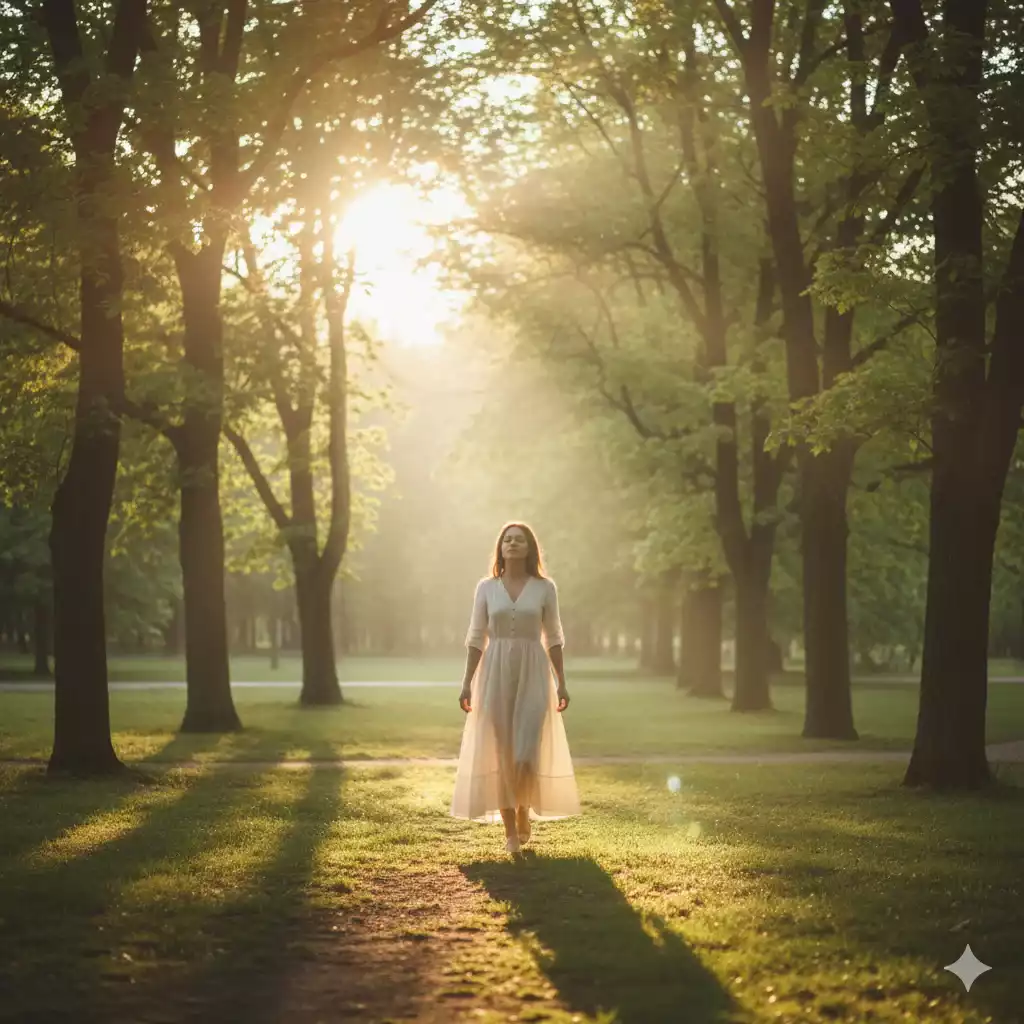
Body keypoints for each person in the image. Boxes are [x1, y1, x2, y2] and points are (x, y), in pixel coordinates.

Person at [450, 522, 581, 853]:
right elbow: (476, 637)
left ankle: (524, 808)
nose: (512, 544)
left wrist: (561, 681)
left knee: (526, 751)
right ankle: (510, 832)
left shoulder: (544, 587)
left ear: (529, 548)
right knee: (502, 751)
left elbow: (553, 637)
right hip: (494, 671)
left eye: (518, 540)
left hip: (534, 670)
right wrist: (466, 682)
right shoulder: (486, 587)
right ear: (500, 547)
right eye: (507, 540)